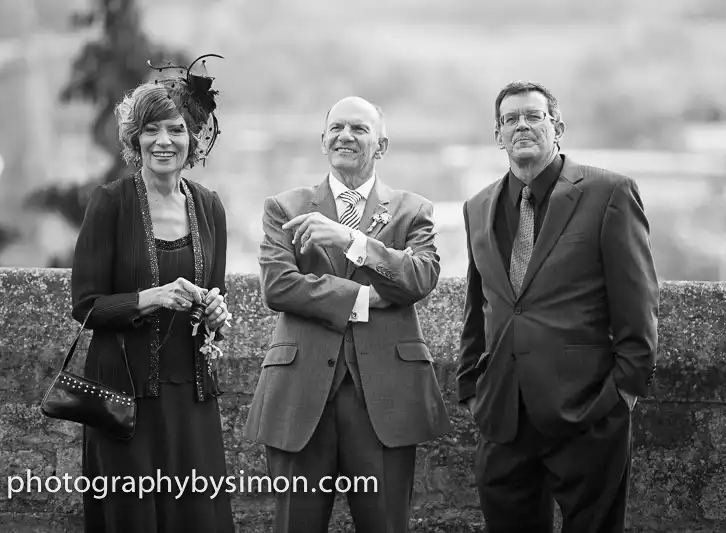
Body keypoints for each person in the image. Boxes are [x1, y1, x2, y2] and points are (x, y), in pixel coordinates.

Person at [456, 80, 660, 533]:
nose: (522, 126)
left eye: (534, 116)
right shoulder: (477, 207)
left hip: (587, 413)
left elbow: (638, 302)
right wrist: (471, 385)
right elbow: (478, 305)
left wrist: (622, 394)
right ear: (498, 135)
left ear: (558, 126)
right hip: (504, 417)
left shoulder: (609, 193)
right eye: (510, 119)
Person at [243, 96, 452, 532]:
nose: (345, 136)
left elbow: (420, 277)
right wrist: (363, 299)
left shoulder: (413, 210)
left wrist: (350, 239)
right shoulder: (284, 207)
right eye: (336, 128)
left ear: (382, 145)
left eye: (359, 129)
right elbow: (279, 287)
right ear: (323, 141)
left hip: (385, 400)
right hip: (299, 395)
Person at [70, 54, 235, 532]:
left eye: (177, 129)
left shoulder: (210, 207)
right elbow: (85, 307)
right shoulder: (109, 204)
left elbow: (214, 303)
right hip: (123, 397)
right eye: (151, 130)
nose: (164, 141)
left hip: (192, 395)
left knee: (196, 518)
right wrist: (154, 297)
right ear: (134, 139)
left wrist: (215, 313)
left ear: (194, 139)